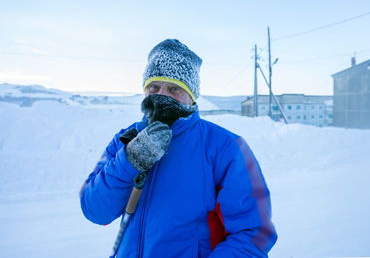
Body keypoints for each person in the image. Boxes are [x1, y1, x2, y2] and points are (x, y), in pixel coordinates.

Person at [80, 39, 277, 257]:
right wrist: (128, 161)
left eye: (174, 89)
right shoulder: (125, 139)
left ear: (191, 96)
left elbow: (255, 233)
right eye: (154, 87)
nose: (161, 95)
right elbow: (95, 210)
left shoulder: (226, 148)